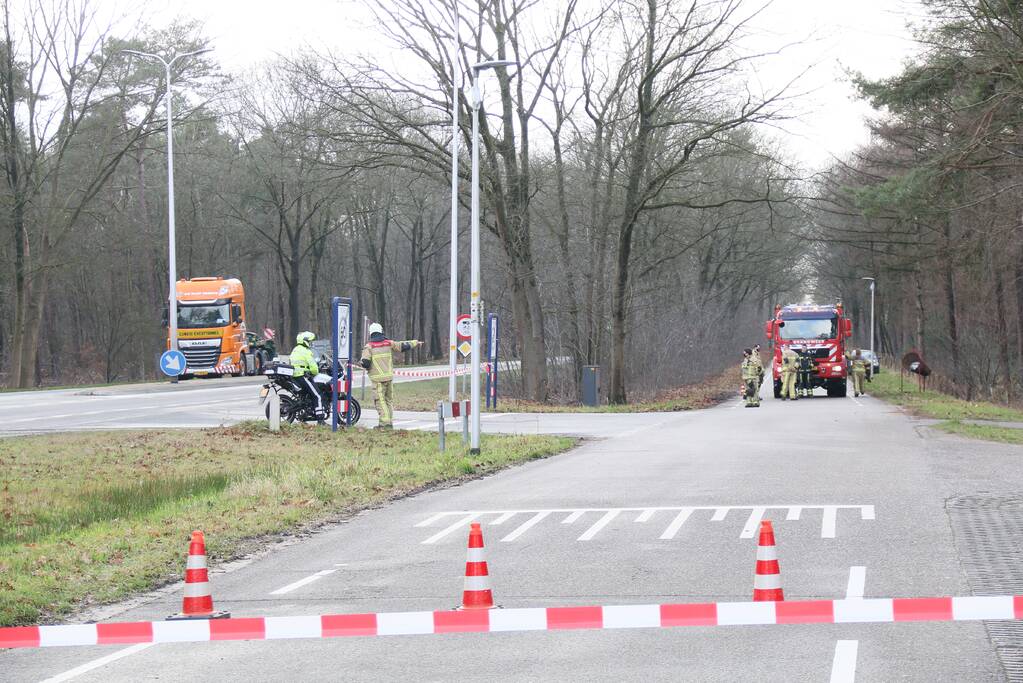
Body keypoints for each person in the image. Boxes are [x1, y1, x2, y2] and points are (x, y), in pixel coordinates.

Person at [360, 323, 422, 429]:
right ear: (381, 331)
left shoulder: (369, 346)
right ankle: (389, 423)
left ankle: (384, 424)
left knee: (380, 402)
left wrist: (362, 362)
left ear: (371, 333)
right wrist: (415, 342)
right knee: (388, 401)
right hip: (389, 378)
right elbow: (403, 346)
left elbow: (365, 363)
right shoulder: (388, 343)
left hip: (377, 381)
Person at [290, 330, 325, 419]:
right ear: (305, 341)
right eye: (309, 341)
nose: (310, 343)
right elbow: (313, 368)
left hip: (295, 376)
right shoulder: (306, 351)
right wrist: (316, 371)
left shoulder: (295, 350)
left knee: (309, 394)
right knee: (317, 395)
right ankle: (320, 419)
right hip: (303, 376)